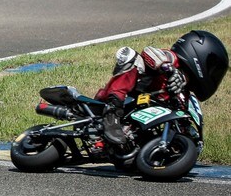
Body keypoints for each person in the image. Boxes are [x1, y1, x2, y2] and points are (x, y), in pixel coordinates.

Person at [94, 31, 228, 145]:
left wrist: (190, 138)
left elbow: (182, 118)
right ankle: (111, 112)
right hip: (119, 99)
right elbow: (148, 52)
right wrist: (169, 69)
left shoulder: (185, 93)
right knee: (134, 58)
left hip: (132, 116)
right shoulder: (171, 59)